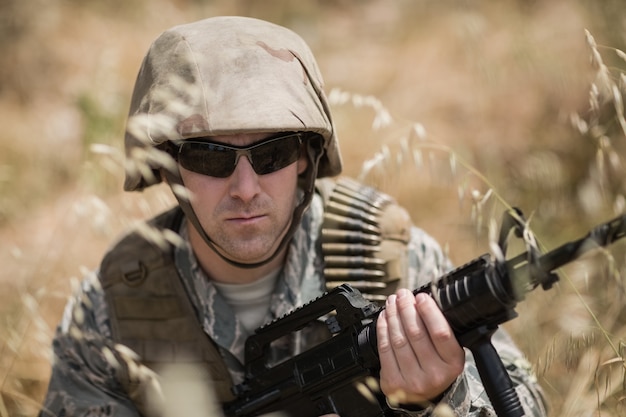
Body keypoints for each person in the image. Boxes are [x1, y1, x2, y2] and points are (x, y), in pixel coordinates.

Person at [38, 16, 547, 417]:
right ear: (170, 166)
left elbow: (528, 403)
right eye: (210, 157)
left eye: (272, 153)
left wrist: (443, 399)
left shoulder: (391, 259)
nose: (245, 188)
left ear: (305, 157)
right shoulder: (112, 308)